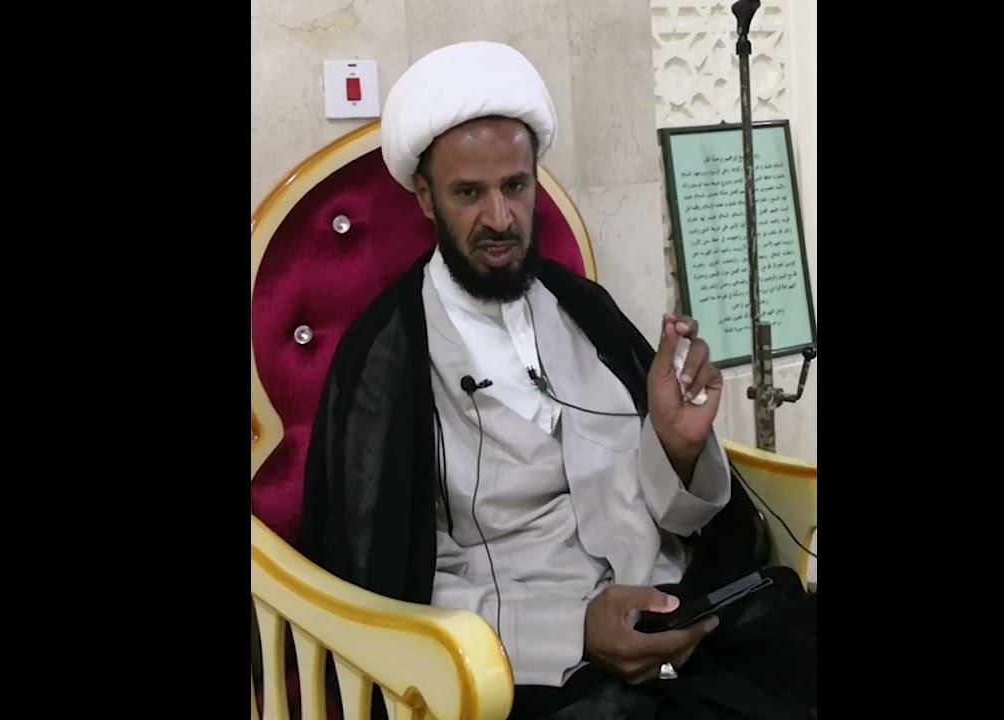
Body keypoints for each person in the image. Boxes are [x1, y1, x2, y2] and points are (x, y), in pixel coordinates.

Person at [299, 40, 816, 720]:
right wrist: (575, 629)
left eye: (516, 187)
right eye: (469, 193)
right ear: (426, 197)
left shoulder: (584, 309)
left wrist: (677, 449)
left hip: (675, 615)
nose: (500, 218)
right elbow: (389, 587)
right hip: (533, 666)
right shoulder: (386, 360)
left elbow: (681, 519)